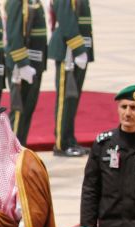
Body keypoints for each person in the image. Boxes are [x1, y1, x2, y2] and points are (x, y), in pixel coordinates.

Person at [81, 85, 135, 227]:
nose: (128, 113)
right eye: (123, 107)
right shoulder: (104, 144)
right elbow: (90, 191)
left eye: (133, 107)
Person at [49, 0, 93, 157]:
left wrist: (85, 49)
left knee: (73, 99)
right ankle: (61, 143)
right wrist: (79, 48)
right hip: (69, 51)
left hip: (79, 51)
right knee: (65, 100)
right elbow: (66, 20)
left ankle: (70, 139)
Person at [5, 0, 47, 145]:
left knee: (27, 110)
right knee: (18, 112)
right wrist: (22, 64)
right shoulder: (17, 2)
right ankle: (12, 152)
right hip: (22, 66)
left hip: (34, 64)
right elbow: (14, 35)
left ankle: (20, 148)